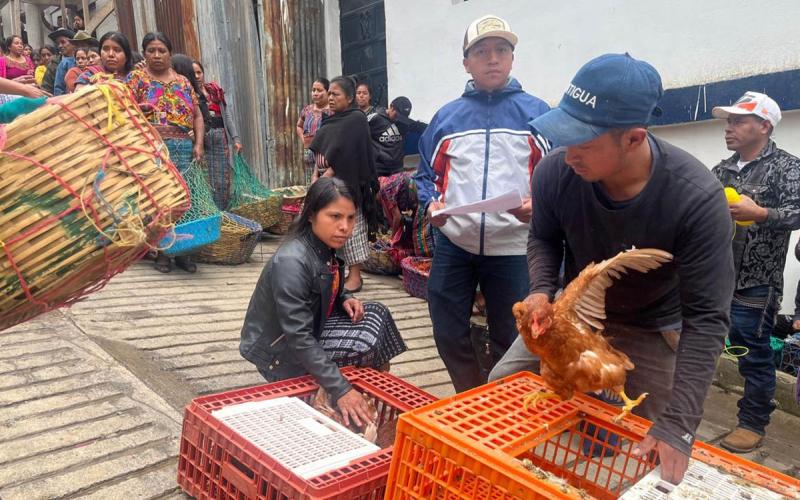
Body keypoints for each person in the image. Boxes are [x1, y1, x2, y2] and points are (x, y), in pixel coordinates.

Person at [488, 53, 734, 484]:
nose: (569, 157)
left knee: (644, 446)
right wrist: (542, 290)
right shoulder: (554, 173)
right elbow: (544, 237)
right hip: (574, 310)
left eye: (583, 143)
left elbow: (707, 319)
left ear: (634, 139)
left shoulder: (695, 198)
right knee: (500, 387)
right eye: (564, 139)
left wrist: (680, 422)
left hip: (654, 324)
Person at [414, 15, 549, 393]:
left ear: (512, 59)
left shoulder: (538, 115)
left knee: (514, 338)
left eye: (501, 51)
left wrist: (539, 204)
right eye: (482, 52)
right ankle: (468, 395)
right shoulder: (446, 119)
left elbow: (560, 179)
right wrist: (430, 205)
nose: (493, 59)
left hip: (515, 248)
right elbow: (425, 176)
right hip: (455, 245)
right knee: (447, 329)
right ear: (466, 63)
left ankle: (504, 405)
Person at [239, 177, 407, 424]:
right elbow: (298, 336)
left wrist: (344, 298)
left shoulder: (324, 246)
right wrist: (342, 389)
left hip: (310, 328)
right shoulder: (291, 262)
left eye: (350, 218)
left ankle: (370, 385)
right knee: (363, 344)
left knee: (376, 312)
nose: (345, 227)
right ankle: (344, 395)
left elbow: (327, 285)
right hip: (279, 354)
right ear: (311, 215)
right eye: (335, 216)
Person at [708, 92, 800, 453]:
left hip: (755, 281)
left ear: (764, 125)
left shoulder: (787, 168)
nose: (728, 128)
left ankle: (752, 422)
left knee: (751, 351)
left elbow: (797, 213)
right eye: (728, 121)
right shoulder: (721, 170)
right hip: (716, 276)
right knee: (704, 341)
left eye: (738, 121)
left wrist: (760, 213)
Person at [126, 32, 204, 274]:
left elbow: (198, 116)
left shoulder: (182, 81)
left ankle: (183, 252)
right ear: (144, 53)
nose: (157, 55)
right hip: (151, 147)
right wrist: (139, 109)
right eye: (151, 50)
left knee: (183, 200)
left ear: (170, 53)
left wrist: (198, 144)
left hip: (183, 146)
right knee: (159, 200)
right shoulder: (137, 79)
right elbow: (123, 109)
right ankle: (161, 252)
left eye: (162, 50)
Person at [310, 75, 378, 293]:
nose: (330, 98)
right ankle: (335, 273)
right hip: (325, 181)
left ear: (349, 98)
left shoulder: (356, 120)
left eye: (335, 94)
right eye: (329, 93)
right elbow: (322, 151)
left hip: (346, 183)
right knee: (327, 226)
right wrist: (315, 175)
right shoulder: (330, 120)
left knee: (350, 229)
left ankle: (355, 276)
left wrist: (327, 175)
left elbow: (348, 155)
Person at [193, 60, 242, 209]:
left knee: (223, 178)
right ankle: (210, 211)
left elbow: (227, 117)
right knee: (207, 177)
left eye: (199, 72)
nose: (196, 76)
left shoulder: (215, 91)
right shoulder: (190, 93)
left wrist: (236, 139)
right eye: (193, 73)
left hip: (221, 138)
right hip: (203, 140)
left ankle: (224, 211)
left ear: (203, 73)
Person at [296, 77, 331, 184]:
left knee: (325, 185)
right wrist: (303, 139)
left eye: (319, 90)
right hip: (309, 153)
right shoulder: (307, 110)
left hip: (325, 154)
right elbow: (299, 126)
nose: (315, 93)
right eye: (313, 90)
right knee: (310, 182)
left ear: (328, 92)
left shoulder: (332, 111)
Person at [47, 27, 76, 95]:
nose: (60, 46)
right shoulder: (53, 64)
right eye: (58, 43)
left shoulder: (83, 59)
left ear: (73, 43)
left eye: (63, 42)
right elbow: (46, 88)